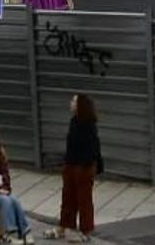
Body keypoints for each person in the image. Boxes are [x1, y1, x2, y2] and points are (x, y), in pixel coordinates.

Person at [44, 94, 101, 242]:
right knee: (67, 197)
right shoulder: (74, 121)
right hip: (71, 164)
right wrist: (67, 164)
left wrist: (87, 165)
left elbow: (94, 147)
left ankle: (85, 231)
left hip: (83, 167)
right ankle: (63, 226)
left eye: (74, 101)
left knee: (84, 199)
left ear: (80, 105)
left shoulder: (88, 124)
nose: (71, 103)